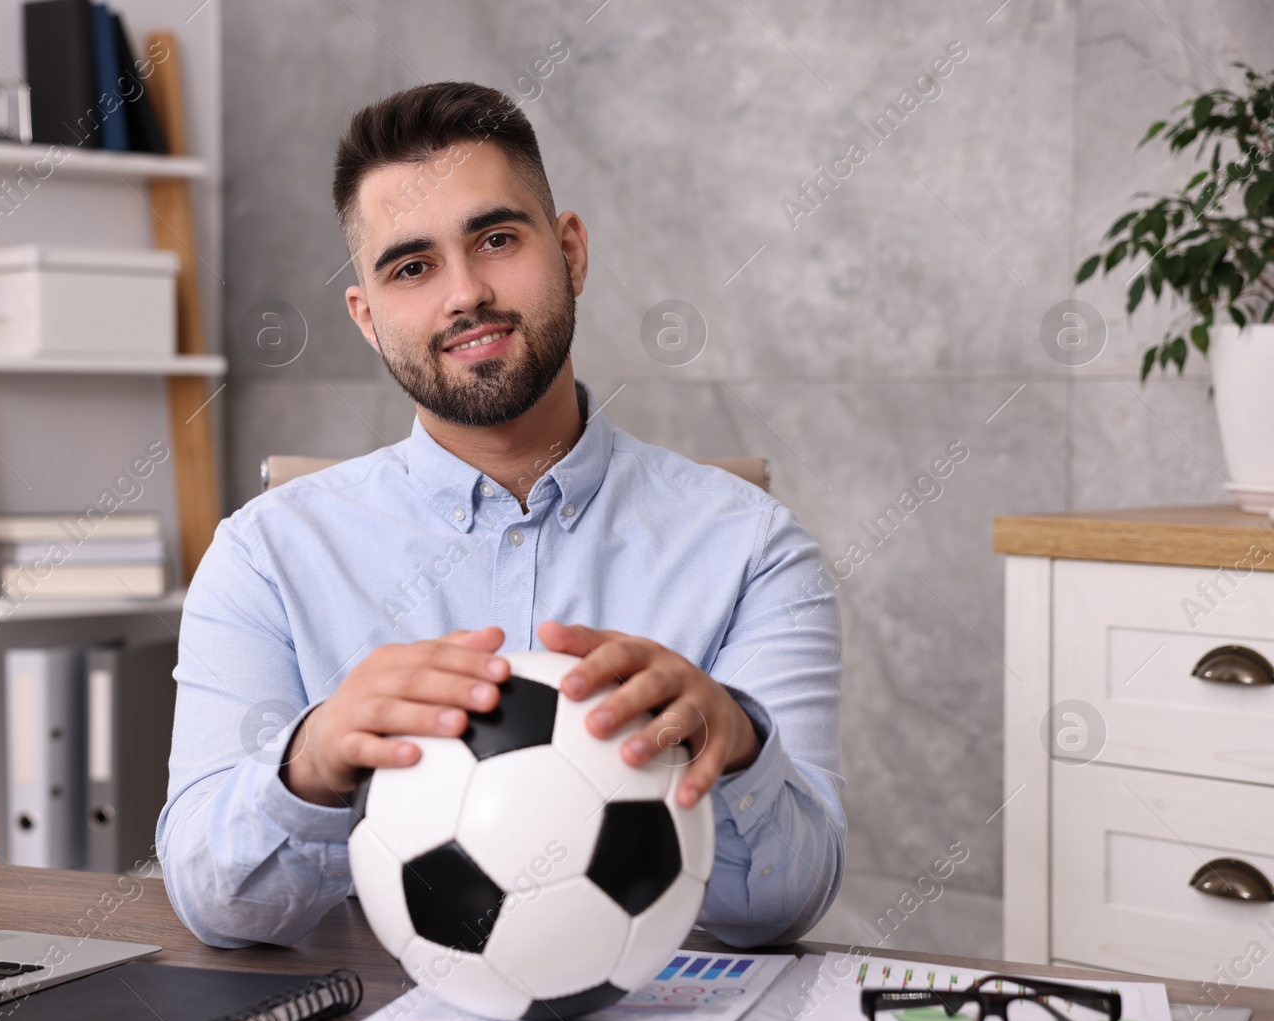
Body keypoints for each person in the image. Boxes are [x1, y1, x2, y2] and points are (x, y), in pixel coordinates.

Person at [159, 81, 843, 950]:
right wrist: (313, 760)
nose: (465, 294)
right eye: (412, 266)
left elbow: (790, 903)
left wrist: (736, 747)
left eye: (496, 239)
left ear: (571, 253)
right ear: (368, 320)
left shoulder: (754, 549)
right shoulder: (262, 557)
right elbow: (214, 902)